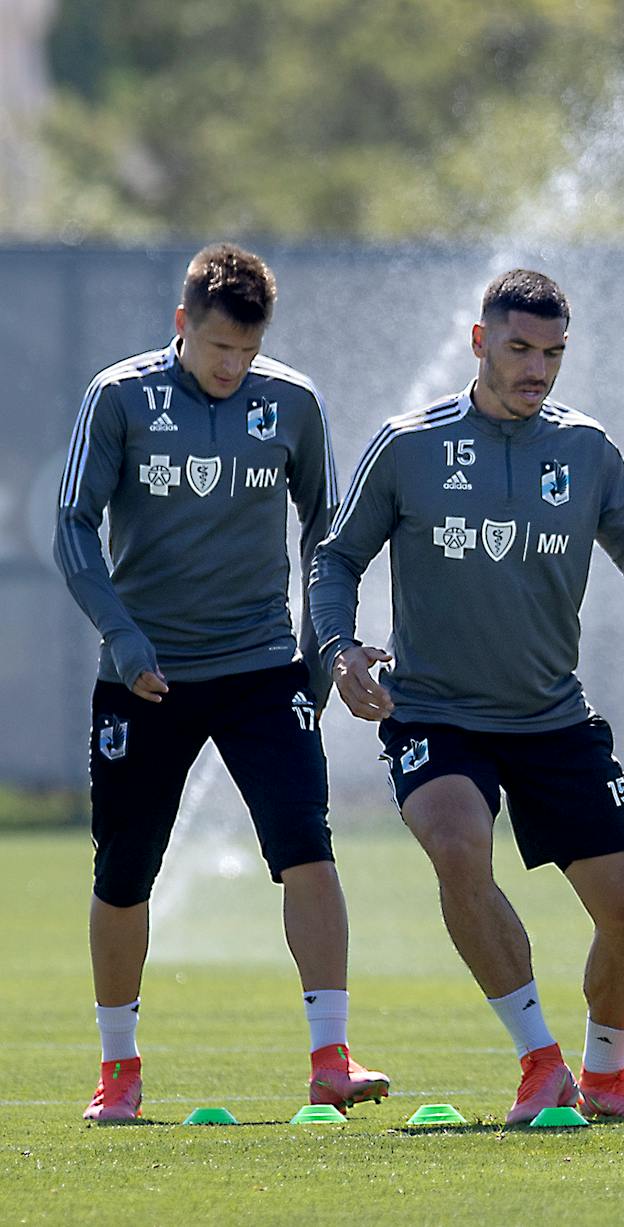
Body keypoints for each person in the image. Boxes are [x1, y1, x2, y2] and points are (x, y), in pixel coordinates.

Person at [310, 269, 624, 1124]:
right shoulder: (409, 445)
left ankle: (606, 1075)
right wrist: (338, 650)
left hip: (550, 715)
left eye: (553, 353)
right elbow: (337, 555)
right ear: (479, 343)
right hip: (433, 711)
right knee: (459, 847)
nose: (537, 369)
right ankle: (540, 1063)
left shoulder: (585, 449)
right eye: (520, 349)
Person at [55, 242, 389, 1121]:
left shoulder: (292, 401)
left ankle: (331, 1059)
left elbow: (328, 530)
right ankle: (119, 1074)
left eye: (244, 352)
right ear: (181, 324)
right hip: (147, 677)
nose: (230, 368)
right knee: (124, 873)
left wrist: (325, 651)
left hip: (261, 669)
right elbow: (73, 525)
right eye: (215, 350)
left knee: (308, 852)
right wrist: (124, 637)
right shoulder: (119, 396)